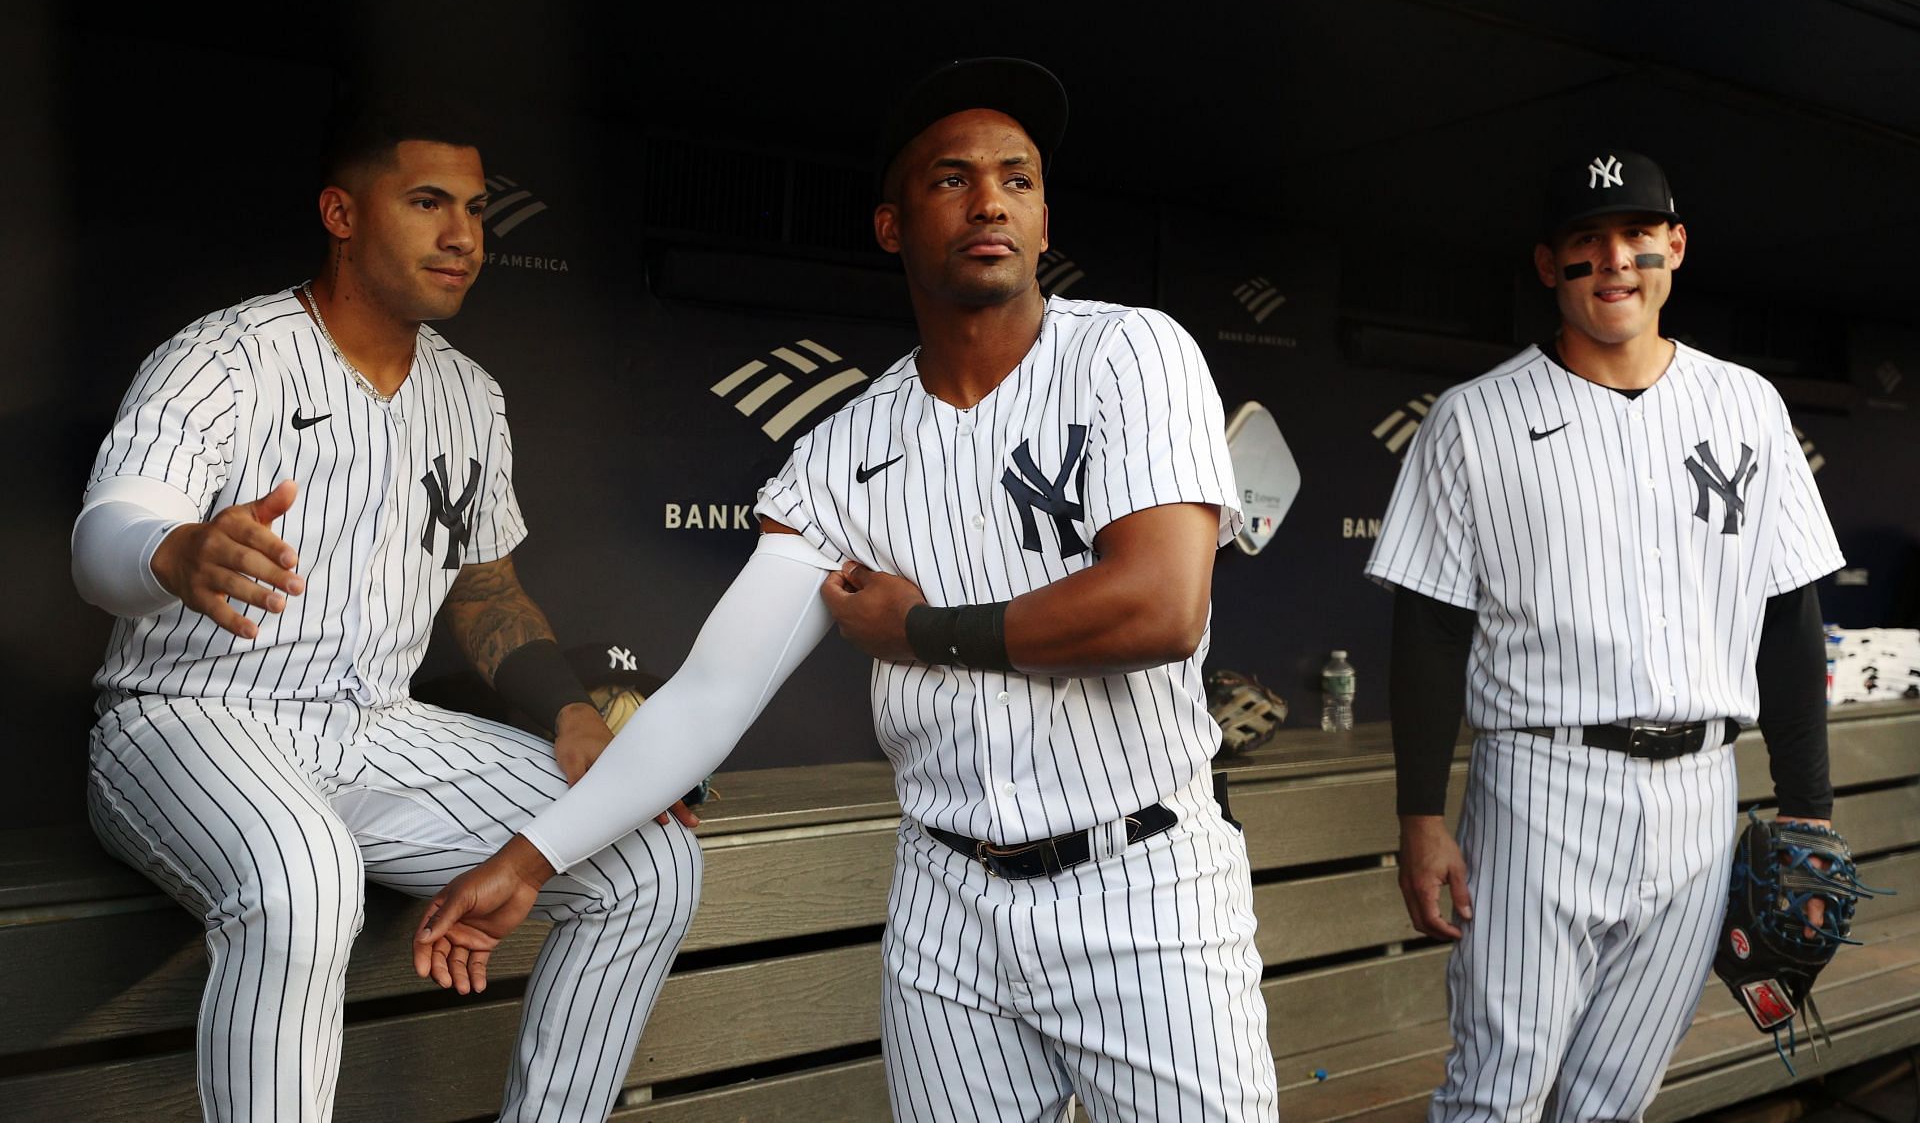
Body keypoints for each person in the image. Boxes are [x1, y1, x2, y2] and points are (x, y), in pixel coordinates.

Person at [414, 57, 1280, 1121]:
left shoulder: (1132, 353)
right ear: (891, 226)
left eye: (1018, 177)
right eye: (951, 180)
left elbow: (1160, 607)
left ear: (1047, 218)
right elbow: (711, 695)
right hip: (947, 903)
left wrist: (919, 627)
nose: (991, 199)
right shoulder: (842, 449)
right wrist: (532, 857)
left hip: (1142, 884)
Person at [71, 97, 701, 1123]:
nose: (464, 235)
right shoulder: (226, 357)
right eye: (425, 202)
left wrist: (575, 716)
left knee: (648, 857)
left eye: (474, 208)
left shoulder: (472, 396)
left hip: (374, 730)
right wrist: (174, 549)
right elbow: (106, 540)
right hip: (187, 713)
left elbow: (489, 593)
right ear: (342, 212)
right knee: (305, 875)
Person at [1366, 150, 1843, 1121]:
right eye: (1587, 242)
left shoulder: (1748, 404)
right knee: (1497, 1092)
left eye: (1635, 235)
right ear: (1549, 265)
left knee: (1612, 1099)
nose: (1614, 260)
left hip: (1703, 791)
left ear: (1675, 245)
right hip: (1543, 786)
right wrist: (1421, 818)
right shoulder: (1472, 420)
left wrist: (1810, 814)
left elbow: (1789, 617)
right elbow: (1428, 630)